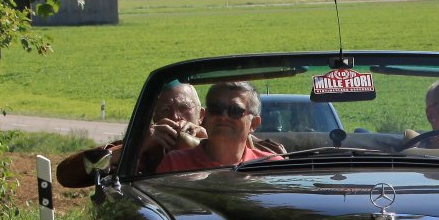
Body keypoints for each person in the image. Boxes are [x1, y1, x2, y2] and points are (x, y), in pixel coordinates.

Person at [54, 81, 206, 188]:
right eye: (165, 110)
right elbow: (66, 175)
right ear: (155, 119)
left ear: (201, 115)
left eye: (184, 107)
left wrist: (206, 144)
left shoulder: (216, 143)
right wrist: (135, 147)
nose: (175, 117)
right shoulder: (141, 148)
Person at [157, 80, 282, 172]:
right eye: (216, 109)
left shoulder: (272, 166)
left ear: (254, 124)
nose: (223, 116)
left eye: (235, 110)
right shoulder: (174, 163)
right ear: (205, 117)